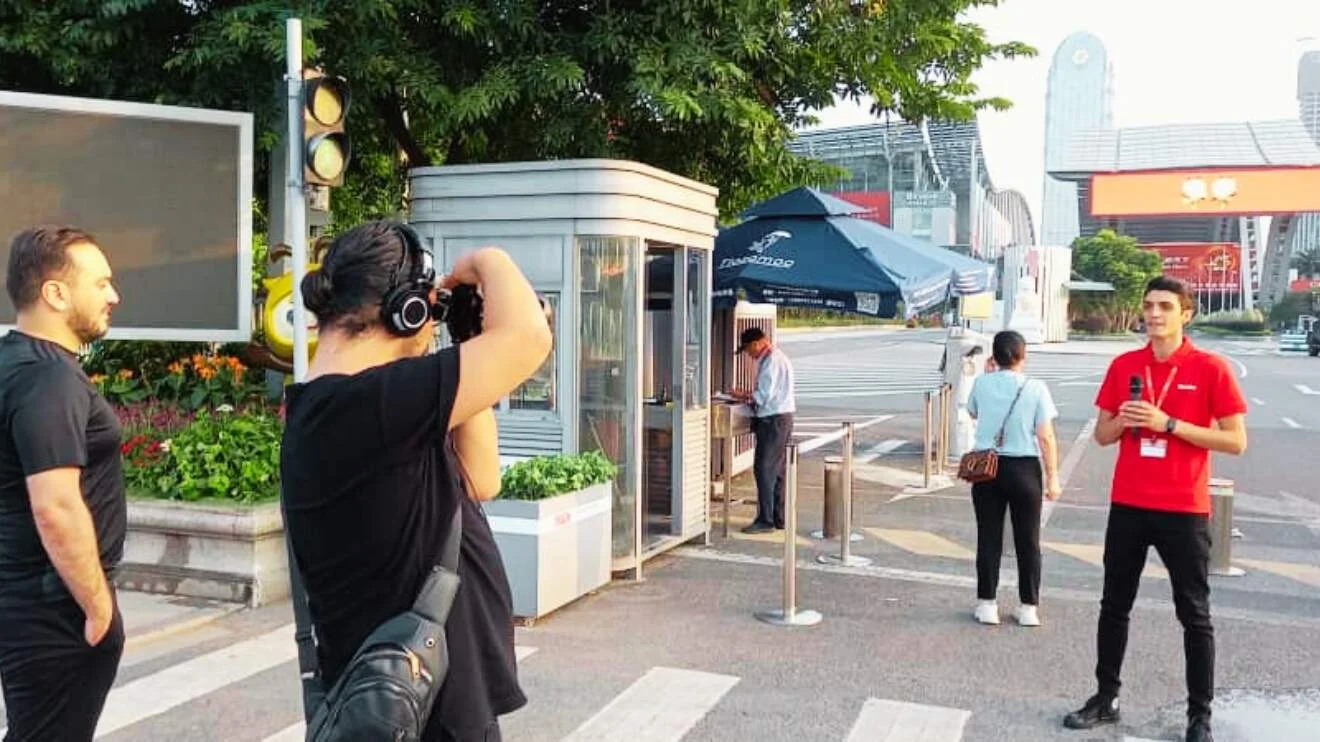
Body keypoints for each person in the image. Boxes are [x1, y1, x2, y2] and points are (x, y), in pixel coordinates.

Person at [279, 220, 552, 742]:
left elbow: (481, 477)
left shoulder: (353, 409)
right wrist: (489, 258)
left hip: (427, 697)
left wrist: (466, 341)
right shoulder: (361, 407)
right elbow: (529, 337)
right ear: (407, 310)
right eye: (430, 309)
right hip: (423, 713)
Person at [1063, 276, 1248, 742]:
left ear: (1186, 313)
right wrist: (1124, 419)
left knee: (1194, 613)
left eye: (1165, 306)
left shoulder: (1211, 368)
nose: (1153, 314)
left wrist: (1171, 423)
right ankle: (1106, 699)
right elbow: (1103, 436)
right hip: (1128, 503)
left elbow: (1236, 441)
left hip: (1184, 508)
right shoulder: (1126, 364)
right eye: (1148, 306)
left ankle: (1199, 717)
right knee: (1114, 605)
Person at [0, 225, 125, 741]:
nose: (113, 296)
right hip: (53, 604)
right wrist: (98, 607)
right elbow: (55, 506)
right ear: (55, 292)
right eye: (100, 283)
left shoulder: (14, 362)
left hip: (26, 594)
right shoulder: (48, 377)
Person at [965, 330, 1062, 627]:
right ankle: (1028, 607)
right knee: (1028, 540)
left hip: (987, 468)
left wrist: (988, 377)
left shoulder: (981, 383)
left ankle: (987, 605)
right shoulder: (1036, 388)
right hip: (1024, 469)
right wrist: (1053, 477)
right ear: (1023, 355)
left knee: (989, 536)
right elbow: (1045, 436)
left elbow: (973, 413)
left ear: (993, 357)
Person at [731, 326, 796, 534]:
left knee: (764, 468)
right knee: (777, 470)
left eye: (748, 349)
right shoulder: (774, 358)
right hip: (781, 418)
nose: (749, 354)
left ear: (758, 343)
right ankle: (778, 517)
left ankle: (765, 520)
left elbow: (763, 396)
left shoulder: (771, 361)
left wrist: (742, 395)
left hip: (773, 420)